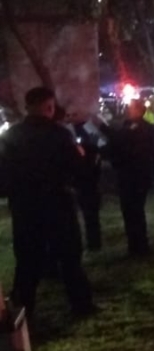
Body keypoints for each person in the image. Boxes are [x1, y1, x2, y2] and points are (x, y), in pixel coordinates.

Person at [0, 87, 95, 319]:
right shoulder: (60, 135)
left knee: (27, 261)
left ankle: (22, 310)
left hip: (25, 208)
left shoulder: (11, 137)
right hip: (58, 205)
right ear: (49, 107)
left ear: (27, 106)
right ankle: (81, 305)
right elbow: (79, 170)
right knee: (70, 257)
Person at [103, 100, 154, 256]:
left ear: (139, 110)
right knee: (131, 213)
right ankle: (135, 246)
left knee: (134, 212)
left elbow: (119, 140)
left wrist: (98, 126)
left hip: (135, 177)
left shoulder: (142, 127)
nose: (128, 110)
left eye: (131, 108)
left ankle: (139, 247)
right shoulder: (133, 125)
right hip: (130, 176)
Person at [70, 110, 106, 252]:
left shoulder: (88, 128)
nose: (72, 116)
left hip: (89, 175)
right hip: (76, 176)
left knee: (90, 211)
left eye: (74, 113)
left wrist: (95, 155)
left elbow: (102, 145)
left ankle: (94, 242)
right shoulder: (66, 130)